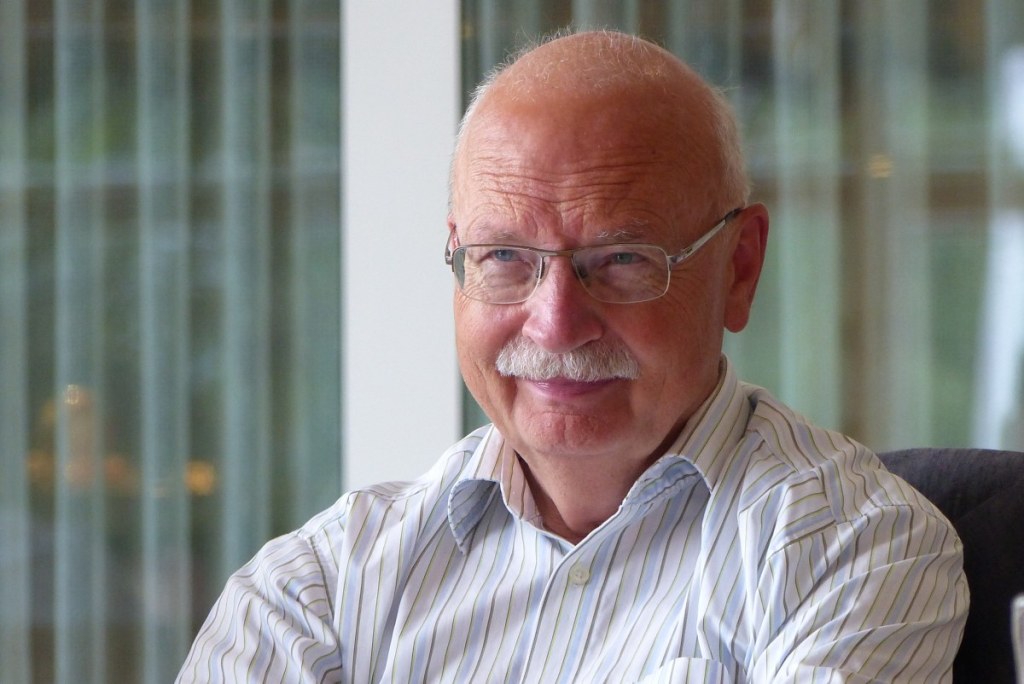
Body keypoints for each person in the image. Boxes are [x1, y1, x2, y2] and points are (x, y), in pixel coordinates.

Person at [178, 30, 968, 682]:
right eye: (504, 257)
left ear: (740, 267)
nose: (555, 326)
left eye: (622, 259)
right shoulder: (317, 590)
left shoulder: (854, 553)